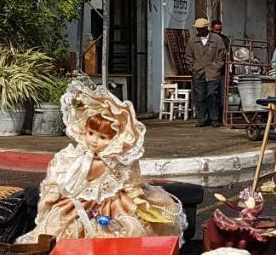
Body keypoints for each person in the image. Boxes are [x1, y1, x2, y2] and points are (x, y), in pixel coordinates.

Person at [19, 82, 184, 241]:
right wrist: (54, 192)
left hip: (113, 204)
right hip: (77, 204)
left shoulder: (119, 161)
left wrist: (138, 198)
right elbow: (58, 176)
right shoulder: (73, 156)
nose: (94, 141)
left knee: (127, 227)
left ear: (115, 139)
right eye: (91, 133)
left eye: (103, 137)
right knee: (60, 227)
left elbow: (131, 184)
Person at [186, 17, 226, 127]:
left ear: (205, 28)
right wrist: (193, 67)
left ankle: (214, 119)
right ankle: (202, 119)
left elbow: (222, 54)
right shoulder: (192, 41)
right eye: (197, 29)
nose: (199, 31)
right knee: (200, 96)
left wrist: (216, 66)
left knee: (212, 94)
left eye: (200, 28)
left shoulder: (217, 39)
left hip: (212, 72)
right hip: (198, 72)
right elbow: (188, 56)